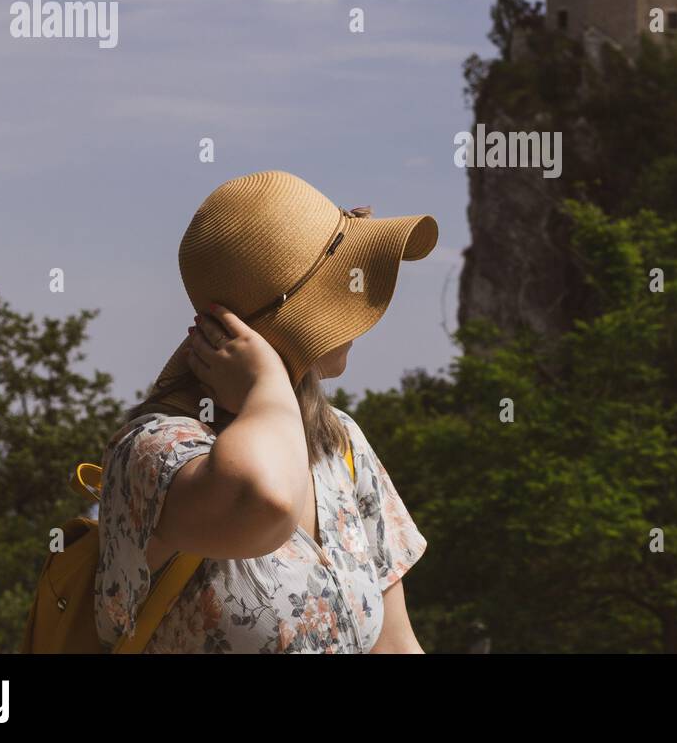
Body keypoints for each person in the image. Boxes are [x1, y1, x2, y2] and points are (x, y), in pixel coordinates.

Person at [92, 169, 438, 653]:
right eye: (341, 290)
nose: (364, 306)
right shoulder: (155, 453)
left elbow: (396, 646)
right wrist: (267, 385)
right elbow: (265, 505)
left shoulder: (340, 442)